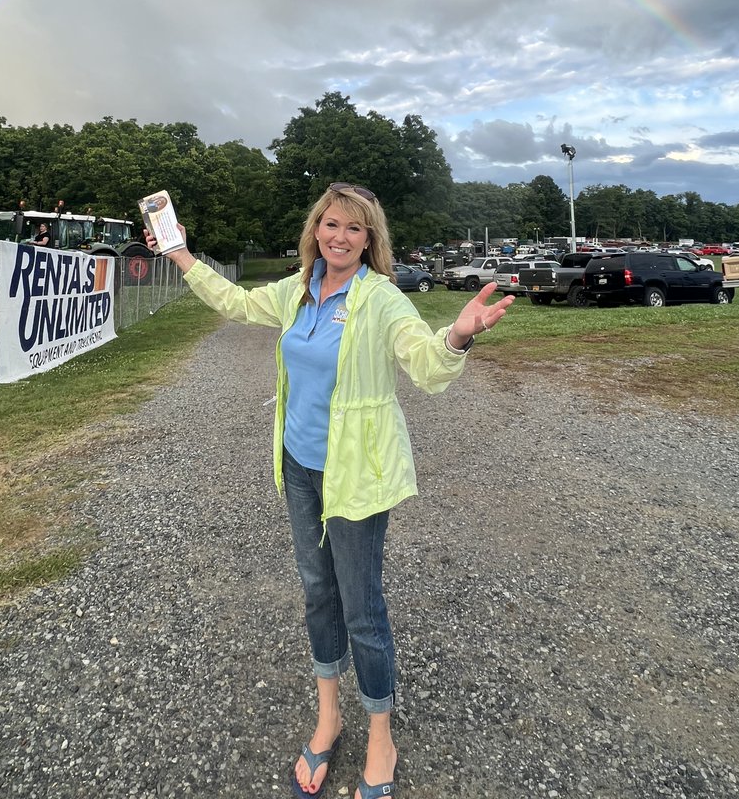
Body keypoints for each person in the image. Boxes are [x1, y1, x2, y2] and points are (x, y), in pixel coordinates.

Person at [148, 183, 514, 799]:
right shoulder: (295, 290)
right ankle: (329, 716)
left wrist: (459, 335)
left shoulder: (381, 299)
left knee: (362, 606)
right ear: (316, 228)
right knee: (318, 592)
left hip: (358, 475)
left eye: (353, 228)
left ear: (370, 240)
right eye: (329, 223)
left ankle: (380, 734)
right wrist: (180, 253)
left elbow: (424, 365)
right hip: (298, 466)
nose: (338, 236)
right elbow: (236, 303)